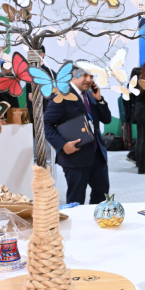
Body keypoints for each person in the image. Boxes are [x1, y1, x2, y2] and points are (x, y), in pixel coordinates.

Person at [44, 66, 112, 204]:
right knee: (76, 198)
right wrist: (62, 146)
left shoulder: (90, 95)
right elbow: (46, 125)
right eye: (84, 75)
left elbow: (106, 119)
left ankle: (97, 222)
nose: (89, 79)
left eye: (91, 76)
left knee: (102, 194)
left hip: (97, 155)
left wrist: (99, 100)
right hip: (75, 157)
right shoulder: (61, 96)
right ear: (72, 77)